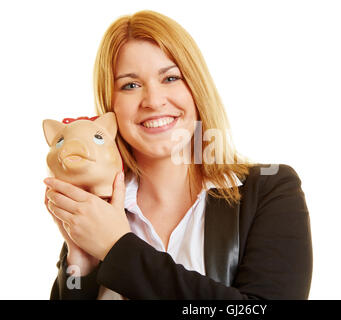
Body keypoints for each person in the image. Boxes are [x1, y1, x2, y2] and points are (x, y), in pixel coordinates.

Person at [44, 10, 313, 300]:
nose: (154, 101)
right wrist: (80, 266)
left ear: (196, 88)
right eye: (130, 85)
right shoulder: (101, 209)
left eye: (170, 78)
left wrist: (117, 248)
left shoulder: (269, 191)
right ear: (110, 106)